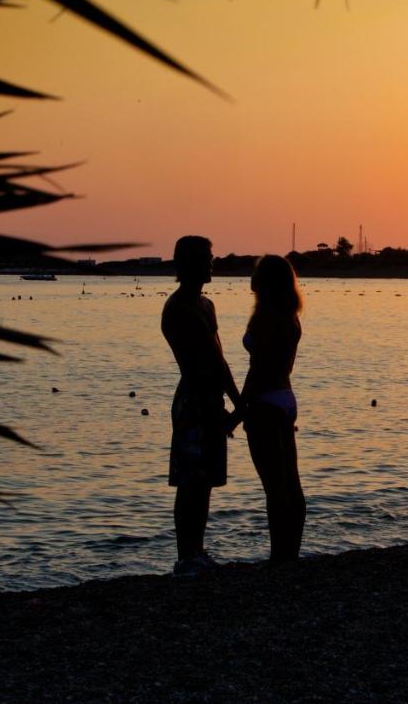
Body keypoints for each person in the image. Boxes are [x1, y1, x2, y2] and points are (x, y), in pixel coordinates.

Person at [161, 235, 240, 577]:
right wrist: (230, 408)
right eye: (206, 257)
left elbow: (220, 360)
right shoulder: (179, 307)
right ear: (188, 262)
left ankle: (198, 550)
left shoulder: (206, 305)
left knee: (204, 480)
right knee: (190, 480)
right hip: (194, 401)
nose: (211, 263)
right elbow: (202, 362)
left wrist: (237, 404)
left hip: (211, 398)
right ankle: (185, 556)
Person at [241, 254, 306, 565]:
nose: (251, 278)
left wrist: (238, 411)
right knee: (291, 483)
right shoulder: (290, 316)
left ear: (265, 282)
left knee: (274, 486)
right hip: (285, 398)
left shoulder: (266, 318)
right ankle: (290, 553)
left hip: (265, 402)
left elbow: (258, 370)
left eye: (256, 273)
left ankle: (280, 555)